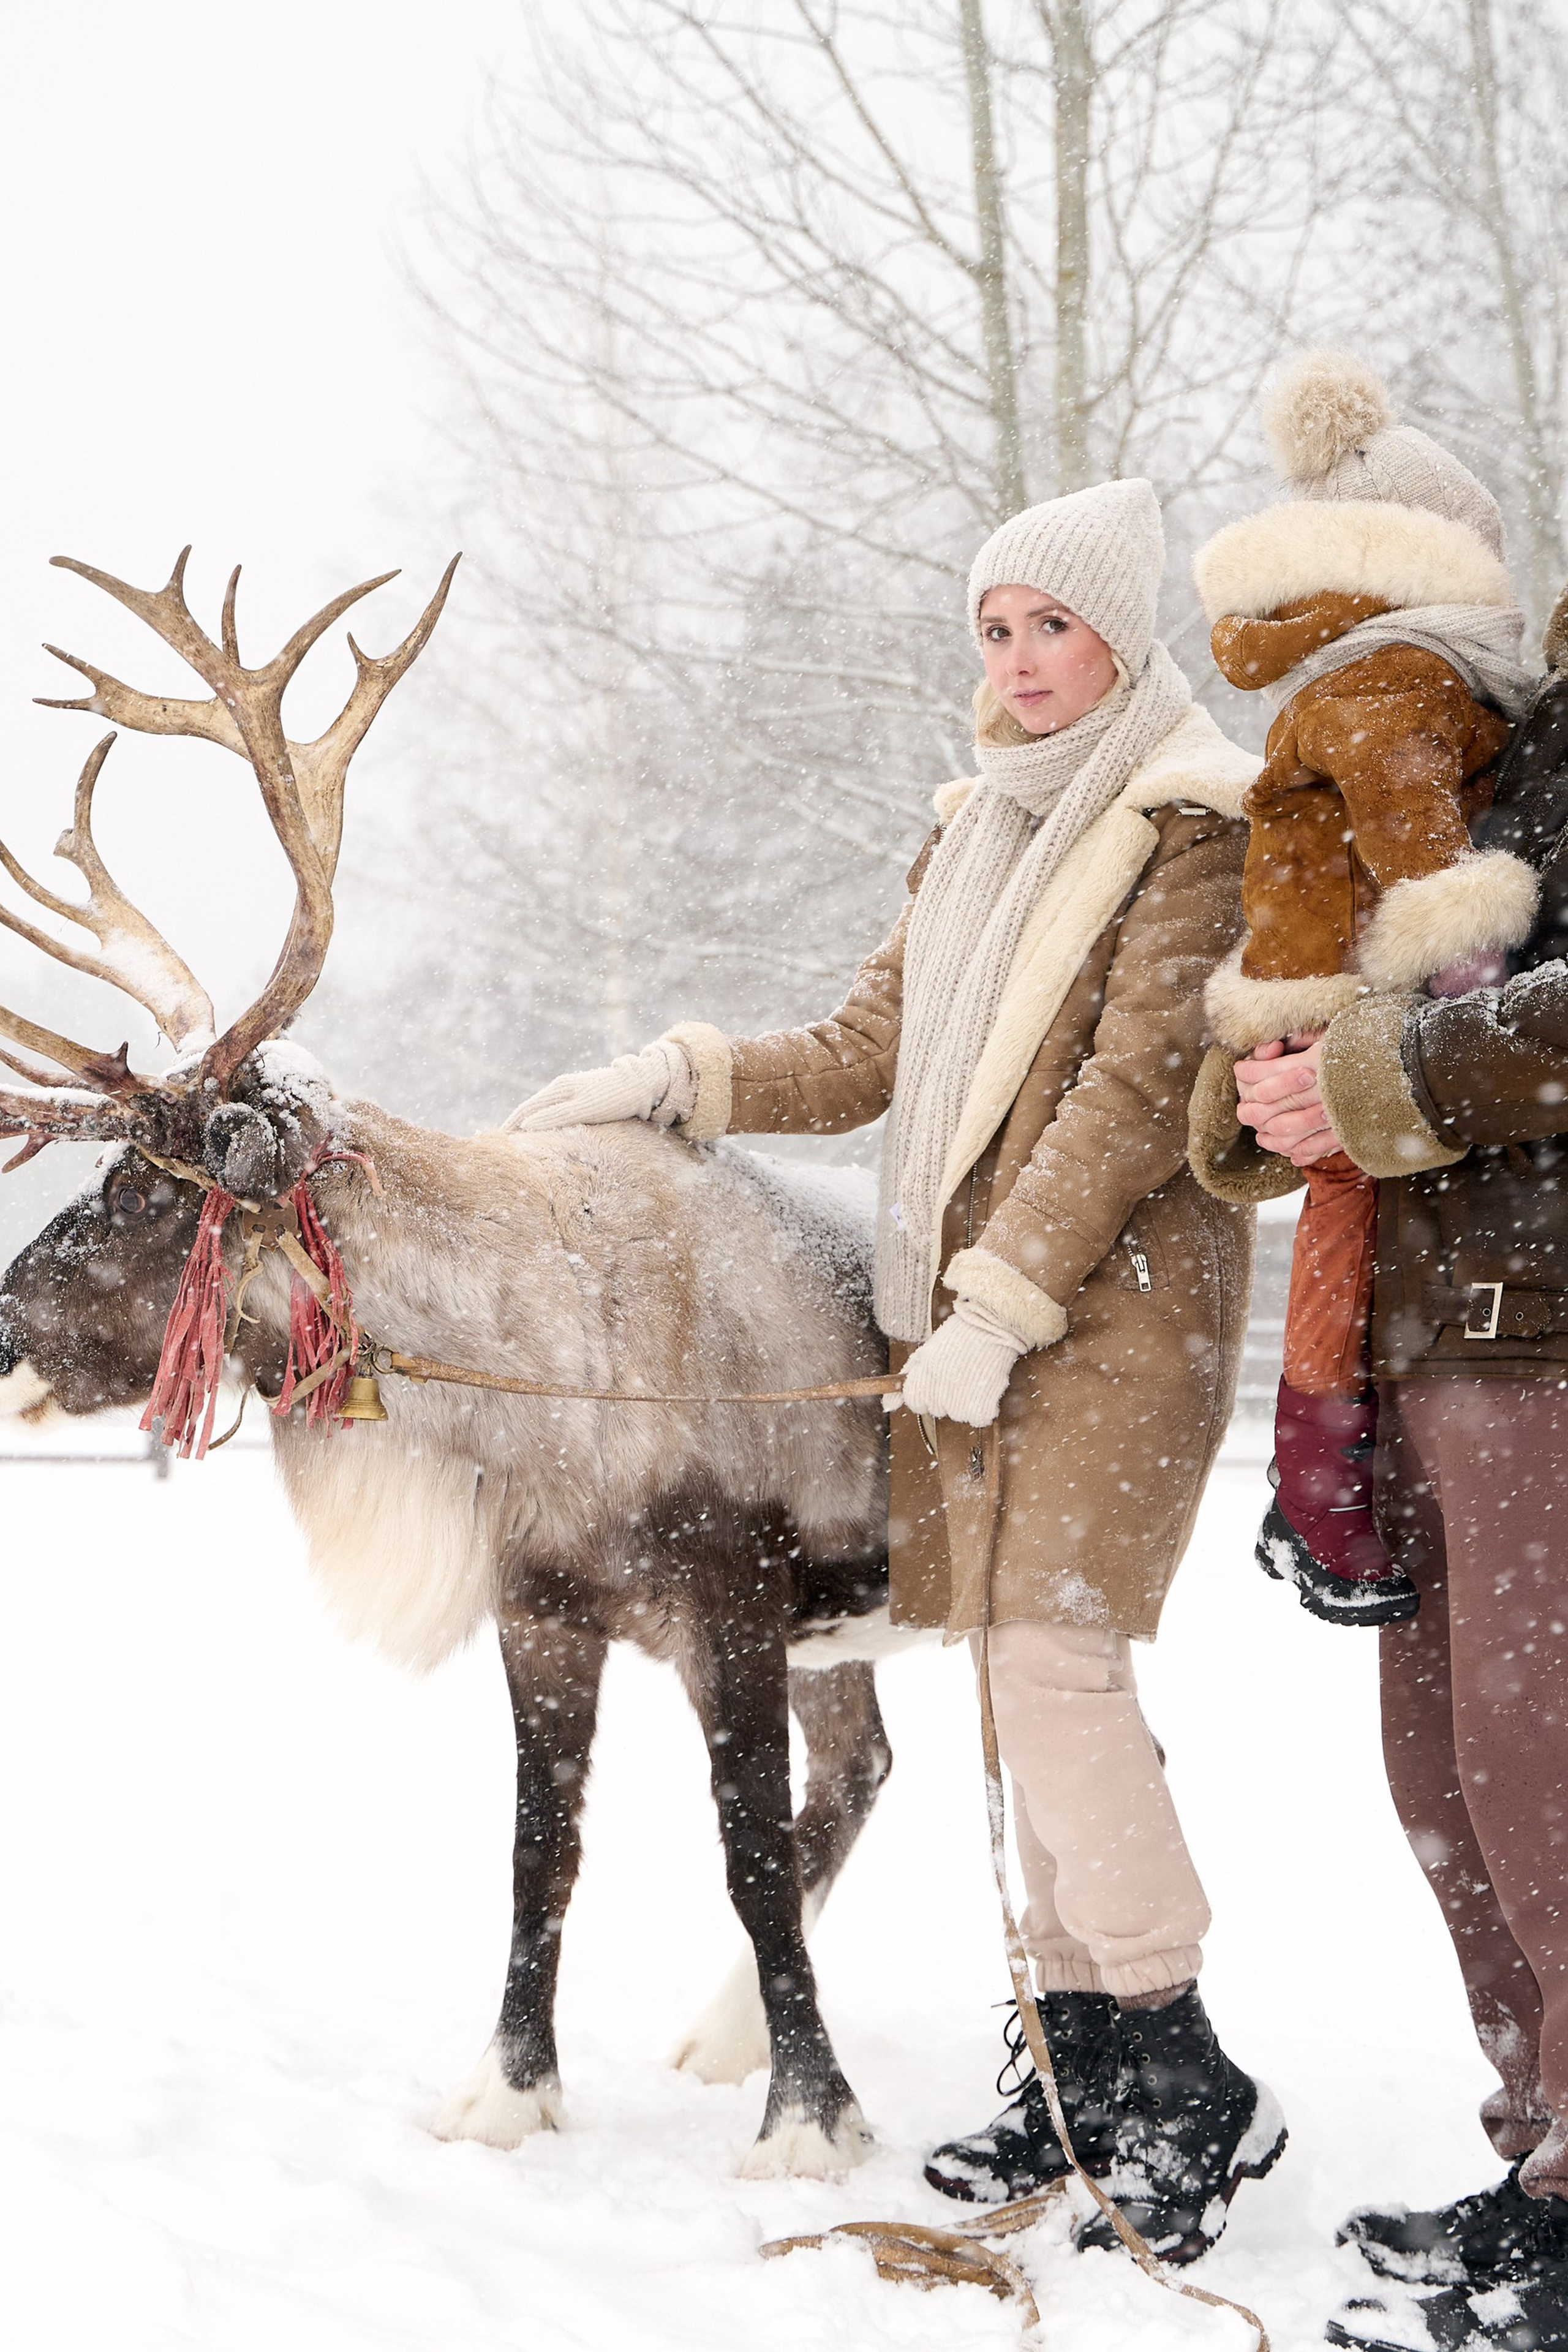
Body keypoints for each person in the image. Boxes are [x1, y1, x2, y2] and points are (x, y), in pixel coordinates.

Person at [508, 481, 1286, 2264]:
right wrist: (683, 1078)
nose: (1017, 664)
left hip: (1108, 1320)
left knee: (1054, 1670)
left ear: (1122, 635)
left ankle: (1180, 2067)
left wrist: (1005, 1297)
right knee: (1021, 1692)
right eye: (994, 633)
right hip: (963, 1331)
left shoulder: (1190, 827)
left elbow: (1126, 1099)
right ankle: (1078, 2055)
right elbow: (873, 1048)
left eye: (1052, 628)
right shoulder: (972, 831)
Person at [1202, 616, 1568, 2350]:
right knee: (1444, 1774)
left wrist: (1375, 1079)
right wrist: (1290, 1076)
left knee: (1543, 1764)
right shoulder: (1513, 715)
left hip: (1548, 1326)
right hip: (1431, 1321)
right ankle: (1537, 2152)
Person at [1189, 351, 1536, 1629]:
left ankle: (1329, 1462)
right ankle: (1319, 1475)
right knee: (1346, 1222)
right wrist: (1469, 972)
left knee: (1357, 1227)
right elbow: (1410, 836)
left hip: (1310, 976)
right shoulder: (1396, 680)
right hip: (1348, 989)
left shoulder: (1344, 674)